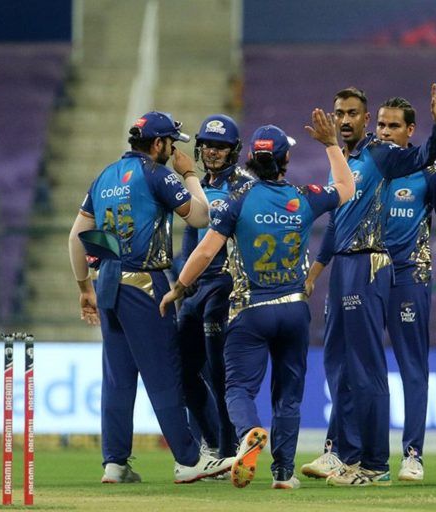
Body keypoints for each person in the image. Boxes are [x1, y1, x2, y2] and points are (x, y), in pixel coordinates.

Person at [159, 109, 355, 490]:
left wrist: (179, 287)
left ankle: (248, 432)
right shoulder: (305, 197)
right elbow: (346, 188)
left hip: (250, 311)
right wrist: (331, 145)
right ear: (285, 159)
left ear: (248, 157)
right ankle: (283, 473)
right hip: (294, 309)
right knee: (288, 395)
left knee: (237, 388)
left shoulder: (237, 200)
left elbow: (204, 252)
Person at [68, 111, 236, 483]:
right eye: (171, 143)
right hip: (146, 283)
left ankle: (115, 463)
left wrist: (84, 288)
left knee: (118, 378)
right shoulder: (157, 174)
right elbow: (201, 218)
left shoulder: (105, 176)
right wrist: (189, 175)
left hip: (107, 282)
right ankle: (188, 460)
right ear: (158, 143)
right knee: (164, 373)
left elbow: (76, 236)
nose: (173, 150)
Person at [301, 81, 436, 487]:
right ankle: (343, 452)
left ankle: (374, 463)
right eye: (339, 113)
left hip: (368, 263)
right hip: (342, 265)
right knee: (338, 362)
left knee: (366, 367)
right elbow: (336, 221)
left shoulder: (379, 154)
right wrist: (316, 272)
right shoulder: (344, 161)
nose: (344, 120)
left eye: (352, 113)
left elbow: (423, 156)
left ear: (366, 120)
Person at [175, 114, 253, 460]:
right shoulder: (196, 186)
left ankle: (228, 448)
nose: (212, 152)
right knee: (183, 370)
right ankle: (211, 442)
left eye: (220, 147)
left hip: (225, 286)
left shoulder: (246, 186)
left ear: (233, 150)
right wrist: (183, 279)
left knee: (221, 375)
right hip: (195, 289)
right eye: (207, 145)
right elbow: (189, 236)